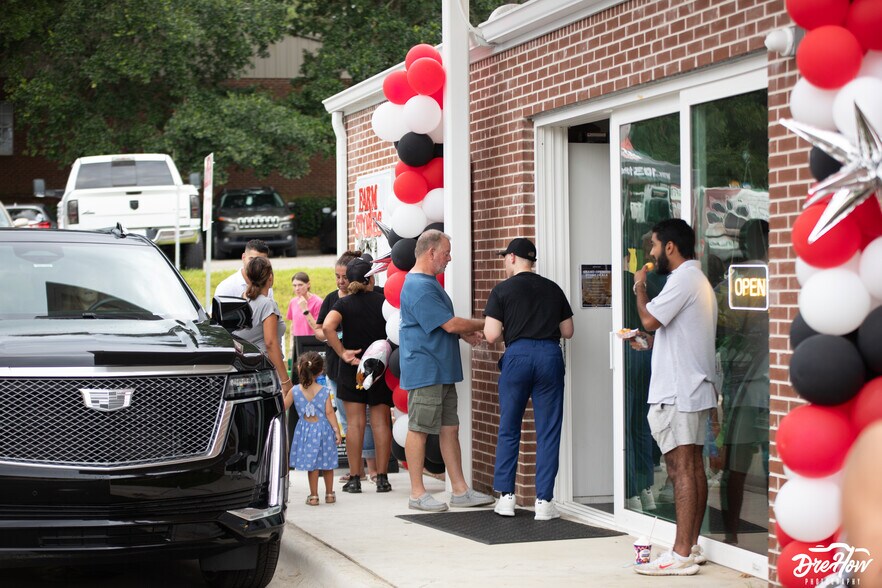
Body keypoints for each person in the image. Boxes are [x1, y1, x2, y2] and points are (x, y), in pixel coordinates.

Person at [632, 218, 717, 576]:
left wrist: (639, 288)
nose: (651, 253)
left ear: (669, 247)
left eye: (653, 245)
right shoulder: (698, 280)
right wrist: (651, 341)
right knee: (693, 468)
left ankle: (680, 553)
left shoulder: (681, 279)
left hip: (679, 390)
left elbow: (651, 319)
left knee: (680, 469)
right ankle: (691, 545)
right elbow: (671, 331)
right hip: (695, 386)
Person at [399, 229, 494, 512]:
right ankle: (417, 493)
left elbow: (443, 324)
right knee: (419, 429)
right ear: (431, 253)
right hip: (427, 369)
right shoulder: (418, 286)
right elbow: (450, 324)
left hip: (440, 368)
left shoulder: (428, 284)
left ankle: (460, 491)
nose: (449, 258)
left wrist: (463, 335)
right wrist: (486, 324)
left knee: (449, 429)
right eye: (446, 252)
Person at [483, 238, 574, 520]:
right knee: (548, 431)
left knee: (509, 427)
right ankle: (544, 503)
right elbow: (568, 331)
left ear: (512, 258)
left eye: (504, 257)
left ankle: (507, 498)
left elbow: (491, 334)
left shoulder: (502, 290)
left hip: (518, 356)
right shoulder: (553, 288)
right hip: (549, 356)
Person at [321, 257, 393, 494]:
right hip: (380, 366)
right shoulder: (383, 301)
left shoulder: (344, 304)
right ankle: (382, 478)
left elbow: (327, 327)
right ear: (370, 278)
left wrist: (342, 353)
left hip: (354, 368)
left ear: (349, 281)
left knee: (354, 424)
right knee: (381, 422)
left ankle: (354, 478)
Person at [313, 250, 379, 483]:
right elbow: (320, 328)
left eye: (345, 276)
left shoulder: (359, 299)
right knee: (350, 419)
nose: (341, 281)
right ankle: (359, 471)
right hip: (339, 366)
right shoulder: (333, 299)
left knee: (364, 420)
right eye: (337, 276)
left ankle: (371, 469)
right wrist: (334, 342)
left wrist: (341, 345)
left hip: (360, 365)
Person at [232, 256, 293, 410]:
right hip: (265, 372)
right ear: (270, 278)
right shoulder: (267, 304)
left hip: (246, 371)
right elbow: (271, 344)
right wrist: (285, 381)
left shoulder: (243, 299)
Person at [290, 351, 341, 506]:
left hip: (305, 430)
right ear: (320, 371)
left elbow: (282, 406)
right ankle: (330, 494)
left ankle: (313, 496)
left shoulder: (295, 391)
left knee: (312, 465)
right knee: (328, 462)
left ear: (299, 368)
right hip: (324, 429)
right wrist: (336, 430)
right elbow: (329, 412)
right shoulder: (324, 390)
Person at [286, 271, 323, 357]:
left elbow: (318, 328)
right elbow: (293, 325)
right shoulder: (293, 302)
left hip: (312, 344)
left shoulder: (318, 302)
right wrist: (291, 347)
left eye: (300, 285)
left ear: (308, 284)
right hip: (297, 344)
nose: (297, 288)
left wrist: (305, 310)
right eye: (294, 285)